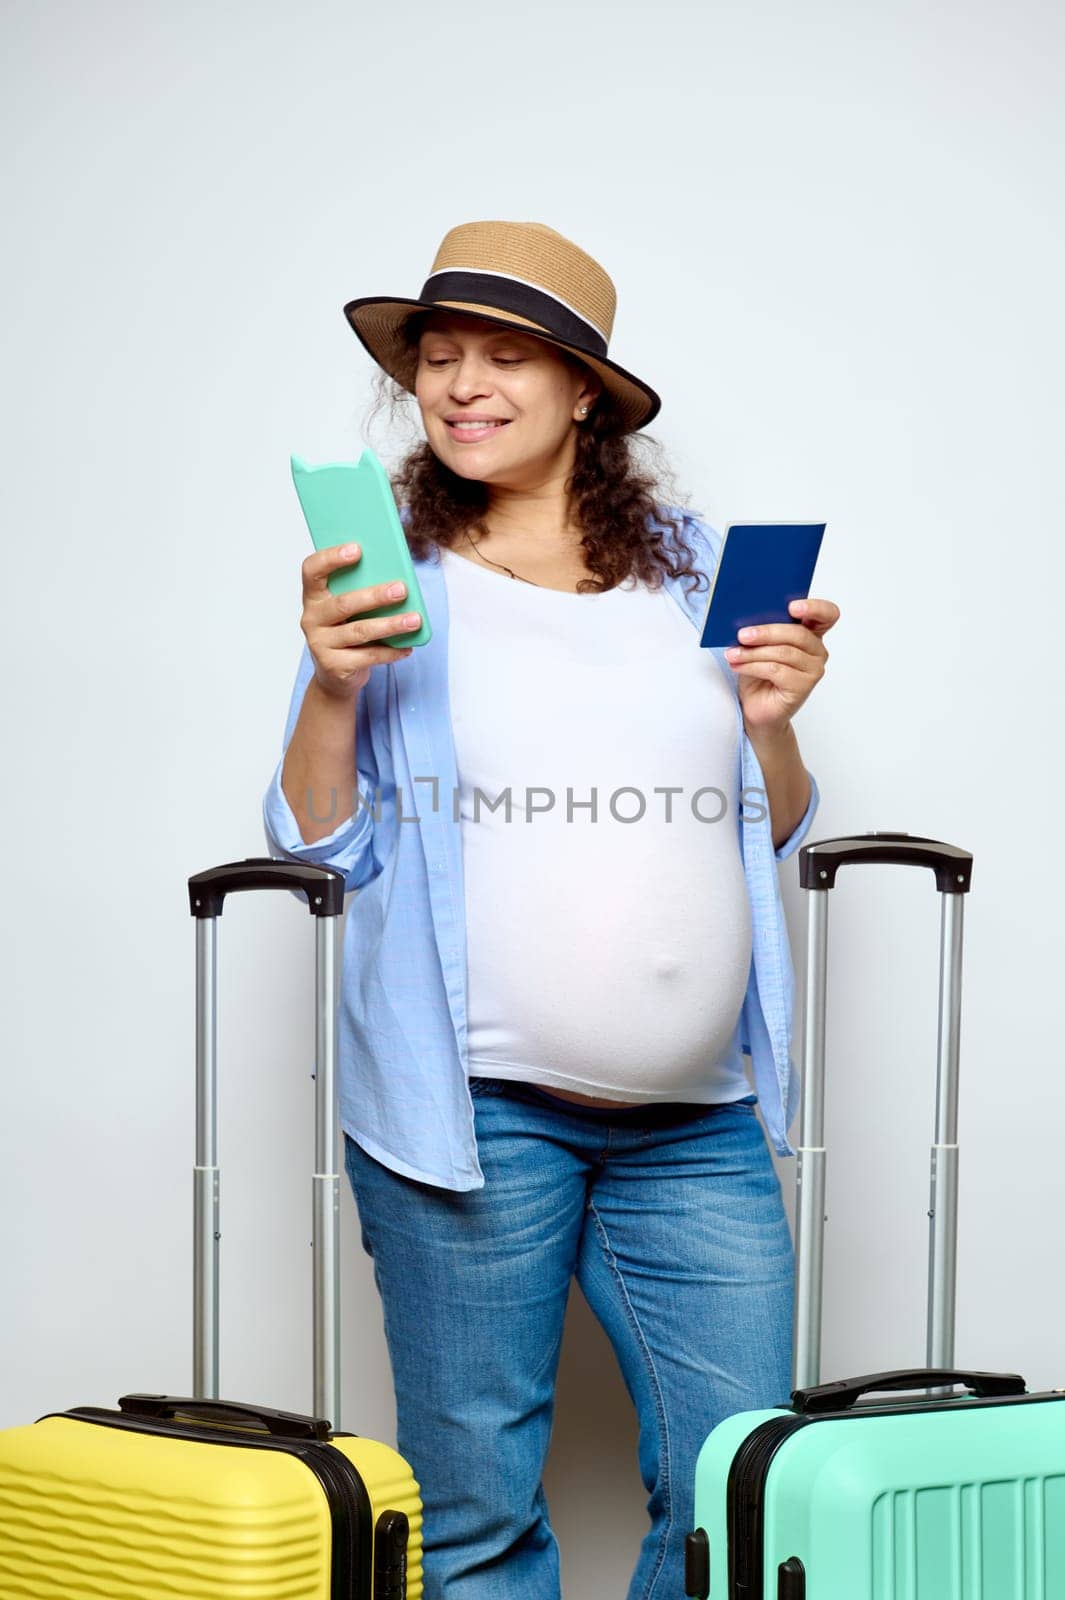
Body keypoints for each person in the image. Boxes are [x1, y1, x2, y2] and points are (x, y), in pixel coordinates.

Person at [263, 219, 840, 1600]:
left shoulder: (710, 566)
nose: (462, 383)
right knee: (470, 1513)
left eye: (505, 356)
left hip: (696, 1121)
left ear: (586, 390)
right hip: (471, 1110)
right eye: (438, 357)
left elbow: (778, 823)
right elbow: (314, 844)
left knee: (733, 1490)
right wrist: (335, 685)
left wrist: (771, 724)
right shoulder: (393, 580)